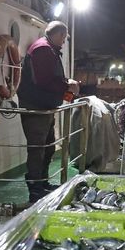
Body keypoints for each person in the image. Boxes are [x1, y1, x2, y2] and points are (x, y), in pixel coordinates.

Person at [16, 21, 79, 203]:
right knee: (38, 149)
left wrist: (67, 82)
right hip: (37, 108)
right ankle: (35, 189)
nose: (64, 42)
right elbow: (43, 80)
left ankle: (42, 183)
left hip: (43, 107)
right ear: (59, 35)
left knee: (48, 147)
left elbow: (48, 78)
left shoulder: (45, 48)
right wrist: (68, 85)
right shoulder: (43, 50)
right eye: (63, 38)